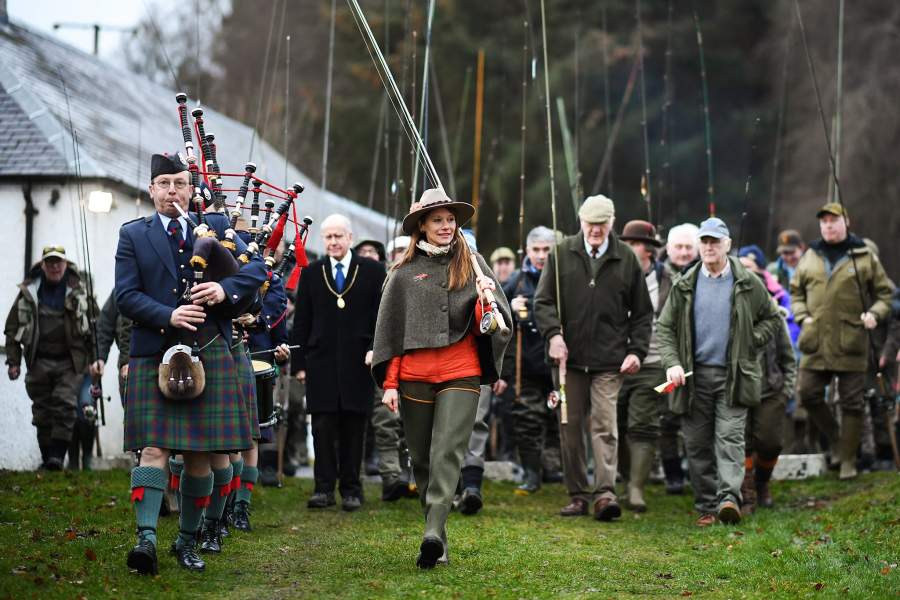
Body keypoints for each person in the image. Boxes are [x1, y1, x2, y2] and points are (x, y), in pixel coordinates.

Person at [117, 153, 268, 575]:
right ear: (151, 190)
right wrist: (169, 314)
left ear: (190, 189)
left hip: (209, 349)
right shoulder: (134, 235)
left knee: (200, 454)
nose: (171, 191)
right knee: (154, 448)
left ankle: (187, 540)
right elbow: (126, 296)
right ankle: (145, 539)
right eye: (163, 183)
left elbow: (257, 270)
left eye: (179, 183)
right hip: (155, 351)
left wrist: (224, 289)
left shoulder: (215, 229)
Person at [372, 188, 511, 568]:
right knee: (422, 459)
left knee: (447, 452)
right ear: (422, 226)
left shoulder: (475, 264)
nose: (446, 226)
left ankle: (431, 531)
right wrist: (389, 384)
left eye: (451, 220)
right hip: (415, 377)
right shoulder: (401, 273)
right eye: (438, 220)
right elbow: (391, 335)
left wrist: (488, 303)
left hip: (460, 372)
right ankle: (439, 539)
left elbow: (494, 326)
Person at [657, 217, 783, 526]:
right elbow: (664, 328)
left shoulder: (747, 282)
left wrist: (752, 340)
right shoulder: (685, 283)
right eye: (705, 241)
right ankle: (706, 506)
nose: (709, 247)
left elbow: (772, 318)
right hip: (692, 377)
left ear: (727, 245)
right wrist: (672, 363)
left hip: (733, 376)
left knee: (730, 439)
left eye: (715, 241)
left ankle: (729, 499)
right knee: (697, 443)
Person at [534, 195, 653, 521]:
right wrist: (553, 336)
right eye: (590, 224)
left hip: (609, 361)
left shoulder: (626, 258)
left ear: (611, 223)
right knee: (569, 427)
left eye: (601, 224)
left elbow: (643, 314)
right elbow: (542, 302)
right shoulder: (560, 253)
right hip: (567, 361)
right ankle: (577, 494)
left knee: (604, 427)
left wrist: (635, 351)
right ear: (581, 223)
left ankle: (604, 494)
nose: (595, 230)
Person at [791, 203, 893, 480]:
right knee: (808, 394)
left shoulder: (863, 256)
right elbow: (795, 293)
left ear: (846, 222)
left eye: (834, 221)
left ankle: (847, 460)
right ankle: (837, 439)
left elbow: (887, 295)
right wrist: (802, 317)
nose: (828, 226)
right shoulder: (810, 256)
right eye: (824, 221)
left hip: (851, 340)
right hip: (815, 340)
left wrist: (874, 313)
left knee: (852, 403)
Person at [291, 214, 386, 512]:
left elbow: (381, 317)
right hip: (320, 363)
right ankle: (323, 489)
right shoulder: (312, 272)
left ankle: (351, 489)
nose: (333, 242)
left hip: (359, 362)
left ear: (350, 238)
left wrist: (375, 350)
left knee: (354, 428)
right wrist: (299, 364)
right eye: (328, 237)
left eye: (338, 237)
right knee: (322, 426)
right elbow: (301, 322)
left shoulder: (372, 271)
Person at [4, 245, 100, 470]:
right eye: (50, 262)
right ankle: (48, 458)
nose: (54, 266)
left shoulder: (79, 291)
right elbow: (11, 328)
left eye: (58, 262)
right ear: (43, 265)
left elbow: (97, 328)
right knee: (42, 410)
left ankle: (57, 457)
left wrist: (96, 360)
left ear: (66, 265)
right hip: (38, 361)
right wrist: (13, 362)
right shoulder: (29, 292)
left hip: (70, 363)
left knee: (65, 405)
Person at [616, 220, 674, 512]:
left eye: (633, 244)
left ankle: (636, 488)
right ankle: (626, 479)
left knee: (643, 423)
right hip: (613, 362)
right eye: (625, 243)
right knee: (617, 422)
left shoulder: (667, 280)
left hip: (652, 362)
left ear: (648, 250)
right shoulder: (614, 274)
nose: (627, 249)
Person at [503, 226, 562, 495]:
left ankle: (553, 468)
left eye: (546, 250)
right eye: (536, 250)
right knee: (527, 419)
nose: (541, 256)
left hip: (558, 362)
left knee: (557, 417)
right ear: (527, 251)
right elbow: (493, 314)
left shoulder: (564, 278)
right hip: (523, 365)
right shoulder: (515, 281)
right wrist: (509, 308)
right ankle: (530, 473)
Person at [355, 238, 412, 501]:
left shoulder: (403, 278)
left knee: (409, 422)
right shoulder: (366, 282)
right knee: (385, 421)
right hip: (379, 360)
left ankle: (408, 477)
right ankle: (391, 477)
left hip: (408, 358)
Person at [658, 222, 700, 493]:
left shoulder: (703, 273)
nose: (684, 252)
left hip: (697, 354)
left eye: (689, 247)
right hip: (664, 351)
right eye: (679, 247)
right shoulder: (655, 274)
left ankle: (695, 472)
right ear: (669, 248)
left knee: (695, 416)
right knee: (666, 418)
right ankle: (672, 473)